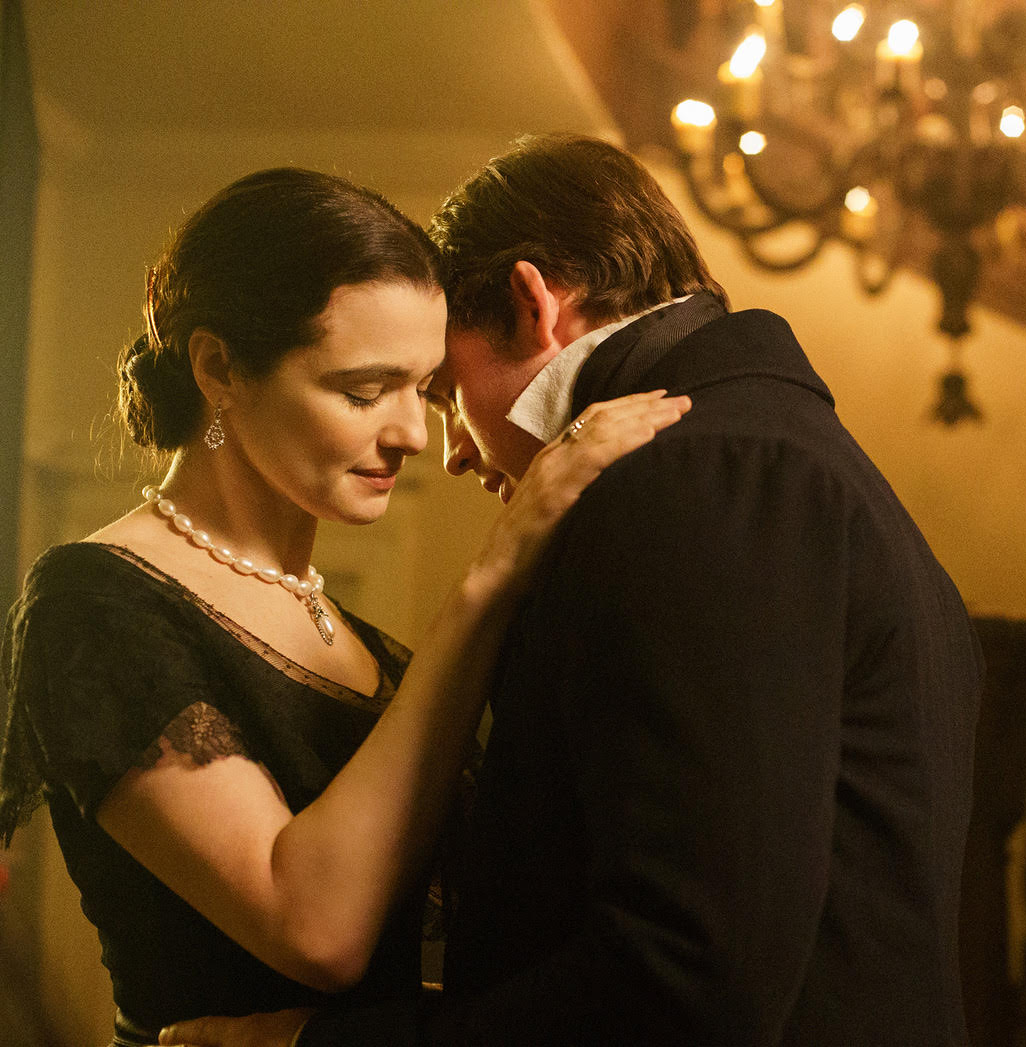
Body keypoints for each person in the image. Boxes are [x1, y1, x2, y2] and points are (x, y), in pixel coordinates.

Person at [162, 135, 984, 1047]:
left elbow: (685, 978)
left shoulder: (702, 475)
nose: (450, 448)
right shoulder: (769, 453)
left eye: (442, 391)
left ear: (533, 305)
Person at [0, 166, 690, 1046]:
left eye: (425, 389)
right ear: (218, 368)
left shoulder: (369, 647)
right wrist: (494, 574)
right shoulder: (94, 600)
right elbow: (316, 931)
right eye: (364, 391)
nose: (411, 434)